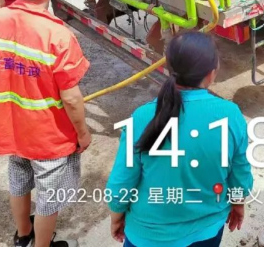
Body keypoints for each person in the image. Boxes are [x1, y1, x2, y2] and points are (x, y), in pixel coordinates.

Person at [0, 0, 92, 247]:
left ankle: (23, 235)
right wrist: (82, 132)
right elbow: (71, 98)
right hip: (48, 136)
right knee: (49, 197)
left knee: (18, 180)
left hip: (12, 126)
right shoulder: (58, 36)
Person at [105, 32, 253, 247]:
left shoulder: (142, 116)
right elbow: (240, 172)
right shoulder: (230, 115)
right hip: (207, 231)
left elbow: (122, 182)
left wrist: (116, 217)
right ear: (212, 73)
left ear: (169, 68)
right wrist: (238, 204)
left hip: (148, 236)